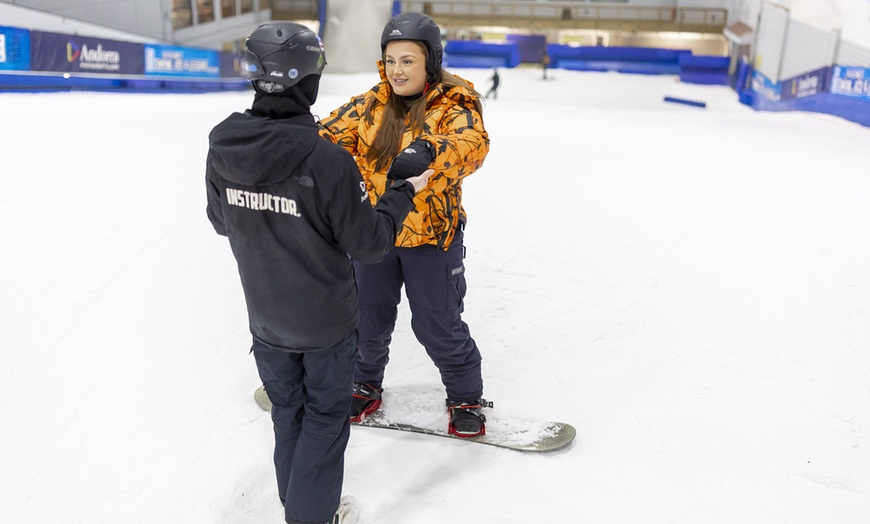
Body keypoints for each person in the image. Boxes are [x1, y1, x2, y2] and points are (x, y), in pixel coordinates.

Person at [205, 21, 432, 524]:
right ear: (308, 79)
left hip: (266, 319)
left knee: (289, 414)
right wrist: (403, 191)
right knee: (325, 419)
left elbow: (222, 221)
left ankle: (301, 504)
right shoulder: (327, 161)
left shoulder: (224, 145)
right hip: (325, 325)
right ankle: (312, 516)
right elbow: (369, 244)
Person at [318, 12, 491, 438]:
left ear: (430, 62)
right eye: (391, 60)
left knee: (437, 323)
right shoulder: (369, 105)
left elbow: (472, 144)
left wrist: (430, 148)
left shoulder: (456, 103)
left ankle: (465, 396)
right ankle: (364, 383)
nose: (397, 70)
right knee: (367, 320)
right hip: (375, 233)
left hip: (432, 237)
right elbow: (321, 136)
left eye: (408, 60)